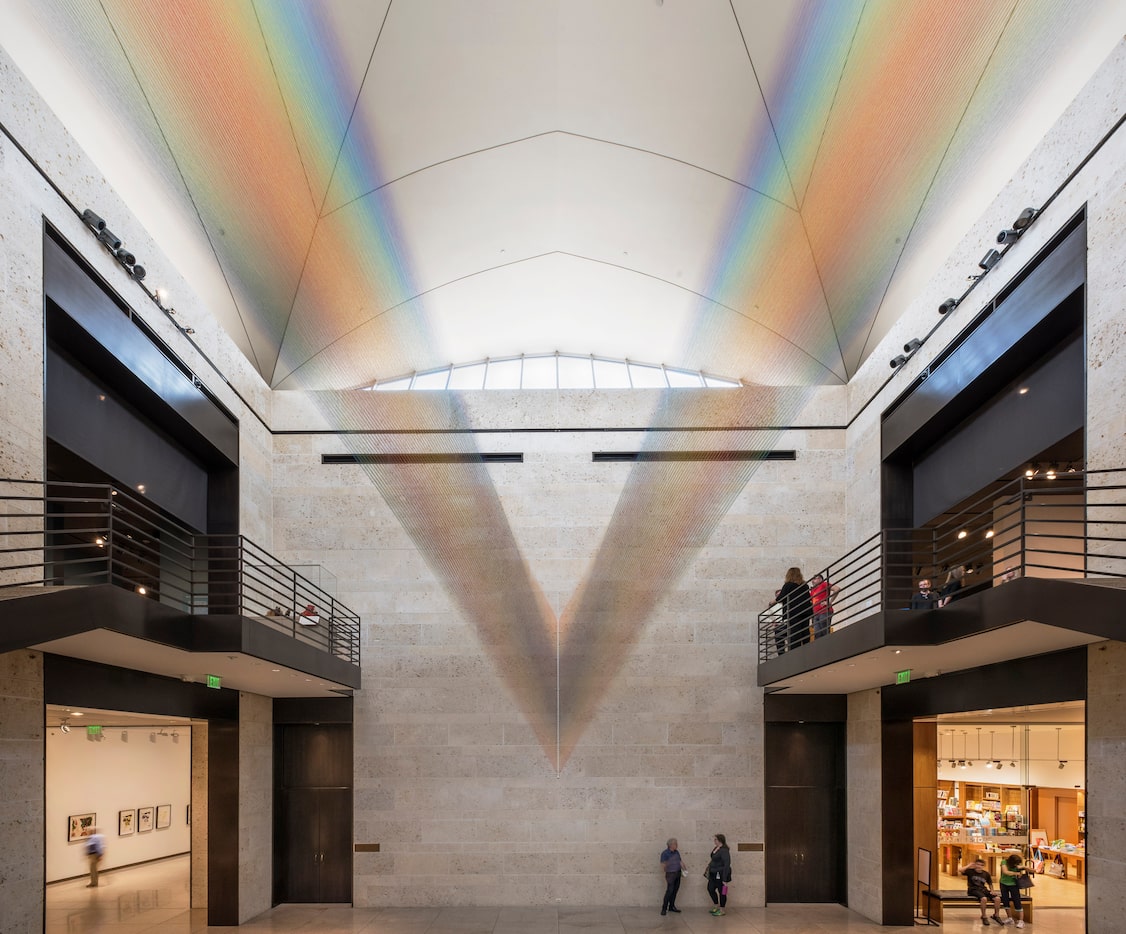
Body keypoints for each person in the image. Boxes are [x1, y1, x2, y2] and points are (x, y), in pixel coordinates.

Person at [772, 568, 812, 652]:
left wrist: (772, 602)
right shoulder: (804, 585)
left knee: (794, 634)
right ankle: (806, 651)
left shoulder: (788, 585)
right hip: (805, 612)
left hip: (793, 613)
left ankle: (794, 654)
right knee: (804, 632)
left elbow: (781, 597)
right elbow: (808, 597)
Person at [960, 857, 1002, 925]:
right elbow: (960, 870)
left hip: (983, 889)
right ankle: (984, 916)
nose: (979, 866)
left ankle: (996, 915)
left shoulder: (986, 874)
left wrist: (992, 891)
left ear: (983, 866)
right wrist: (969, 865)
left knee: (997, 899)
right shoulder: (970, 871)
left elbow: (990, 883)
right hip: (973, 889)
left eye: (981, 865)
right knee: (984, 899)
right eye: (978, 864)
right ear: (975, 865)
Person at [705, 833, 731, 916]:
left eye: (715, 839)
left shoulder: (724, 850)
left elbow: (727, 864)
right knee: (710, 888)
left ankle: (722, 909)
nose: (714, 841)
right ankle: (716, 905)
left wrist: (724, 878)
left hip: (720, 874)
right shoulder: (716, 848)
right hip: (713, 873)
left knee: (722, 892)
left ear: (720, 840)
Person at [999, 851, 1027, 927]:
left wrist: (1025, 868)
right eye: (1015, 864)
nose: (1016, 865)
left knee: (1017, 901)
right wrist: (1015, 873)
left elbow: (1031, 870)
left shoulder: (1017, 866)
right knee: (1005, 901)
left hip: (1014, 885)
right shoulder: (1004, 862)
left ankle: (1021, 921)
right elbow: (1005, 872)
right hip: (1003, 883)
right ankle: (1009, 918)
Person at [659, 837, 685, 915]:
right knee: (669, 891)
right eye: (675, 844)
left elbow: (680, 861)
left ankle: (672, 906)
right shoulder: (665, 853)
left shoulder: (677, 852)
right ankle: (664, 908)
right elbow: (663, 864)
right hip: (670, 874)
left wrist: (685, 869)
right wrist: (667, 867)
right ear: (671, 845)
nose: (677, 845)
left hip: (678, 873)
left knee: (675, 891)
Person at [809, 573, 839, 640]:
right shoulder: (813, 590)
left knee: (824, 631)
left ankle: (828, 647)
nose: (812, 581)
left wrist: (829, 602)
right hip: (816, 614)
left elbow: (836, 589)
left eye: (814, 579)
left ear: (820, 579)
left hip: (824, 611)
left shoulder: (824, 584)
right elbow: (811, 601)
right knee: (817, 634)